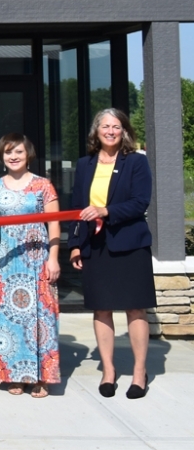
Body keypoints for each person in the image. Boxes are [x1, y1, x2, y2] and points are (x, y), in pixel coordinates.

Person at [68, 108, 154, 400]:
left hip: (130, 244)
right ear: (97, 131)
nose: (110, 131)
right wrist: (76, 244)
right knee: (101, 308)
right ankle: (108, 371)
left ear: (124, 131)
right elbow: (78, 207)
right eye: (105, 126)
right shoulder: (84, 164)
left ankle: (140, 373)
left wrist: (106, 210)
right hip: (96, 245)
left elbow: (140, 202)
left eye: (116, 126)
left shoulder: (136, 163)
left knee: (135, 307)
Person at [0, 133, 61, 399]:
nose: (14, 156)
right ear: (2, 155)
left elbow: (54, 222)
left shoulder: (44, 185)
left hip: (37, 260)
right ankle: (14, 376)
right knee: (8, 319)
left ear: (28, 153)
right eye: (8, 152)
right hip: (6, 261)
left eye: (18, 151)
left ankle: (42, 376)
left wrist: (53, 258)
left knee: (40, 319)